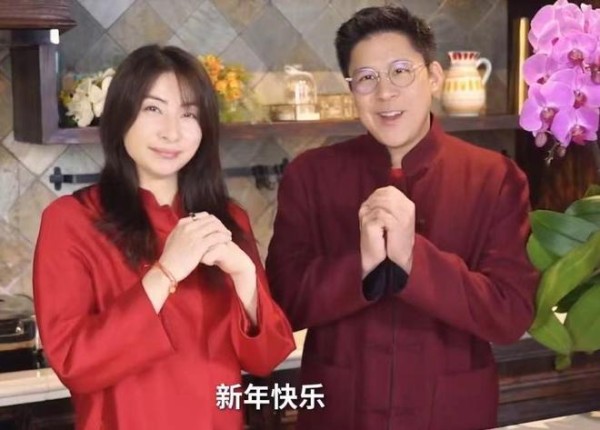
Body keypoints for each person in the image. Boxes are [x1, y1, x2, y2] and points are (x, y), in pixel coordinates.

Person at [266, 6, 539, 430]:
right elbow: (283, 304)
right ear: (351, 89)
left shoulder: (495, 177)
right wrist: (360, 264)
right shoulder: (311, 174)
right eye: (366, 78)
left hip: (450, 411)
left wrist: (414, 258)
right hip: (340, 410)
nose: (385, 93)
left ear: (434, 76)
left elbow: (510, 314)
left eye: (400, 71)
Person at [33, 44, 295, 430]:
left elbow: (265, 358)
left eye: (189, 114)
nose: (172, 132)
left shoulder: (226, 219)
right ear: (121, 116)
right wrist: (167, 271)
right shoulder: (71, 220)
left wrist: (245, 277)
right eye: (153, 109)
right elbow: (74, 363)